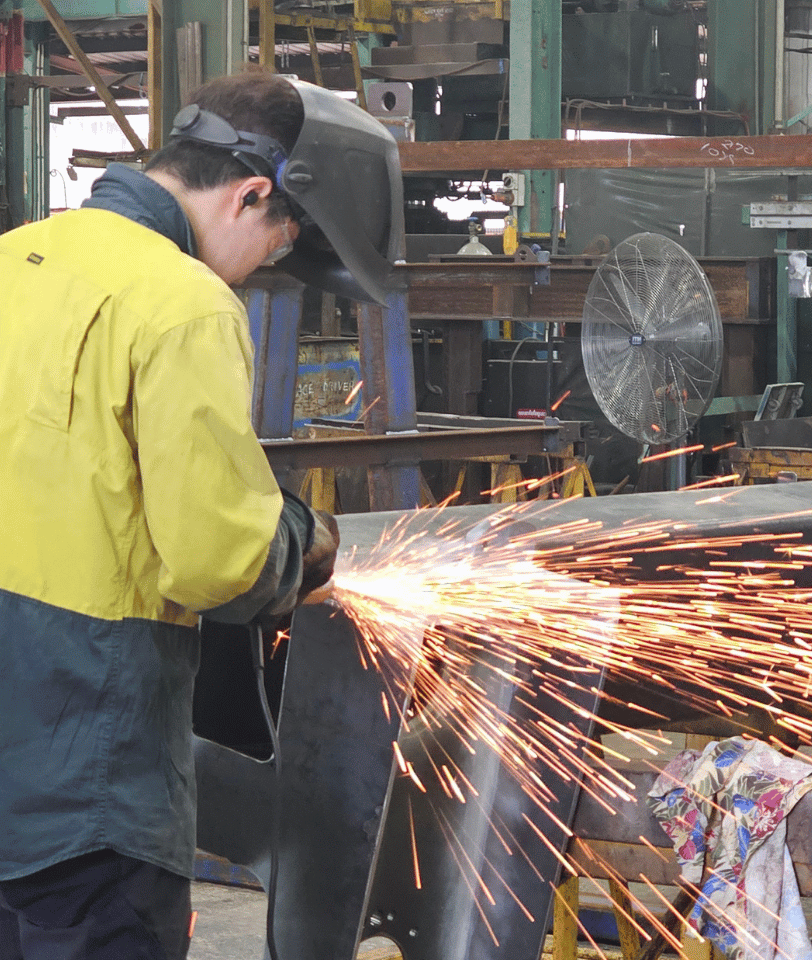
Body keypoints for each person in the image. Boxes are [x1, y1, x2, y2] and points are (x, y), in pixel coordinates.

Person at [0, 72, 404, 959]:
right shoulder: (182, 303)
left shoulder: (15, 259)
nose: (266, 269)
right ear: (254, 192)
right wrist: (306, 541)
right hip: (90, 774)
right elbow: (217, 556)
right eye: (280, 242)